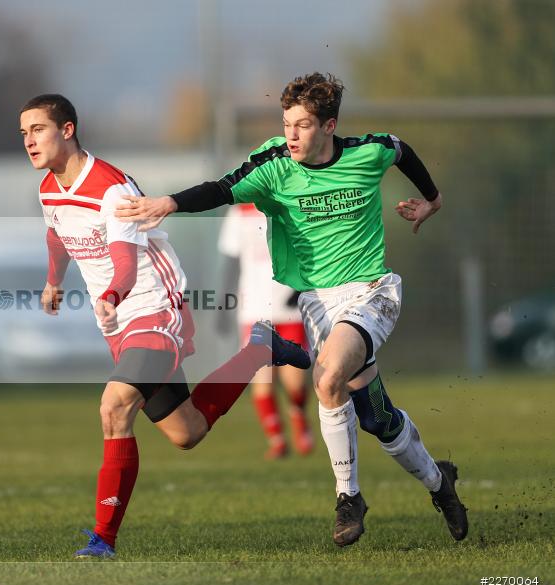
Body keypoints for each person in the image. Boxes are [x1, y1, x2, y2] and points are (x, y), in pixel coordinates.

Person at [115, 73, 468, 547]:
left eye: (302, 125)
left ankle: (349, 498)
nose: (292, 136)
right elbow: (222, 189)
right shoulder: (275, 165)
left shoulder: (368, 152)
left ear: (329, 125)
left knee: (325, 380)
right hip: (318, 303)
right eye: (286, 124)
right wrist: (169, 202)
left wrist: (434, 200)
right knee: (376, 417)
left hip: (370, 292)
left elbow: (400, 148)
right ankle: (438, 482)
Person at [18, 94, 311, 558]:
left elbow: (127, 267)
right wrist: (54, 282)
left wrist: (112, 296)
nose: (29, 141)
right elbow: (56, 235)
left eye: (38, 130)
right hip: (119, 323)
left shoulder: (111, 189)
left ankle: (102, 539)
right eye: (24, 134)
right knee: (186, 431)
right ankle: (260, 348)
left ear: (67, 130)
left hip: (153, 307)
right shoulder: (49, 188)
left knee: (114, 408)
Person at [217, 204, 314, 459]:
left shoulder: (286, 204)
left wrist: (300, 290)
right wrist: (223, 307)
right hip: (254, 308)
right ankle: (278, 441)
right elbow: (230, 262)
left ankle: (299, 416)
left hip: (288, 307)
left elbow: (308, 252)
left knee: (294, 380)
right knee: (262, 380)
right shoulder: (239, 212)